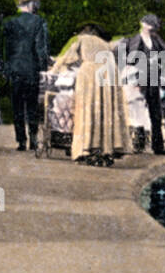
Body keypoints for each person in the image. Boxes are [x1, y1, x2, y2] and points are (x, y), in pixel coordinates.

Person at [52, 22, 129, 166]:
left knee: (87, 111)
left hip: (90, 74)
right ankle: (106, 149)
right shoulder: (106, 44)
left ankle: (87, 148)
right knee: (106, 112)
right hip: (110, 74)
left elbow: (66, 58)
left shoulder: (82, 40)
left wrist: (54, 69)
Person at [2, 0, 51, 151]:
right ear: (30, 4)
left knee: (17, 105)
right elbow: (40, 48)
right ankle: (33, 138)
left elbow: (6, 48)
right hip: (31, 68)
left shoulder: (9, 22)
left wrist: (6, 68)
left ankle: (21, 140)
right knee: (32, 105)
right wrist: (43, 67)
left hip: (14, 67)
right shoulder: (38, 22)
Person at [123, 14, 165, 155]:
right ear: (142, 24)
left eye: (154, 26)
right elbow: (128, 60)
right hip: (138, 80)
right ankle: (139, 144)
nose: (152, 28)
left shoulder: (156, 40)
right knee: (138, 113)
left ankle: (158, 146)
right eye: (149, 25)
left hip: (153, 79)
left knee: (155, 113)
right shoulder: (133, 40)